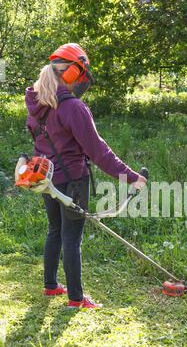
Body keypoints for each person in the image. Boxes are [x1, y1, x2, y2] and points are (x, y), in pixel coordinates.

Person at [24, 43, 147, 309]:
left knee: (55, 230)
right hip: (72, 180)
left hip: (47, 179)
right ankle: (76, 300)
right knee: (71, 237)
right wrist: (131, 176)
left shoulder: (38, 103)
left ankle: (50, 286)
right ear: (69, 74)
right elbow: (98, 151)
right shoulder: (73, 108)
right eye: (80, 74)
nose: (82, 81)